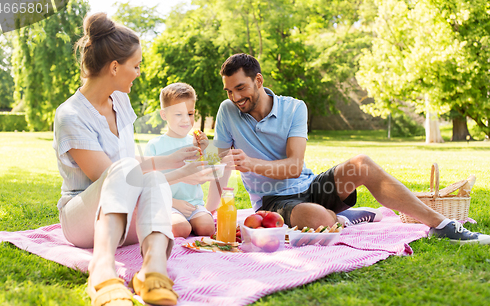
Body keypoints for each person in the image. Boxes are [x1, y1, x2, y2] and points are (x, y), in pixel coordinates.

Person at [206, 53, 490, 245]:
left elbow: (293, 166)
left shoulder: (294, 107)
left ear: (258, 80)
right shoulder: (227, 111)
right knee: (316, 219)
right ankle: (344, 218)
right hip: (273, 201)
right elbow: (218, 165)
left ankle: (444, 226)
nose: (235, 97)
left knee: (362, 163)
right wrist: (209, 212)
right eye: (229, 91)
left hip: (310, 185)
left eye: (240, 88)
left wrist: (250, 163)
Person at [53, 13, 211, 306]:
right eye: (135, 66)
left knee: (154, 179)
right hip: (81, 218)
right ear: (115, 67)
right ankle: (101, 268)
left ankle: (152, 270)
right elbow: (114, 176)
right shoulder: (71, 115)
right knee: (135, 172)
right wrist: (171, 165)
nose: (138, 73)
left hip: (125, 212)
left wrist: (172, 161)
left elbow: (135, 173)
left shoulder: (121, 102)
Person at [144, 83, 215, 238]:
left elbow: (206, 175)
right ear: (164, 115)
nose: (185, 120)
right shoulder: (155, 145)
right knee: (181, 228)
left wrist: (205, 150)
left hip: (194, 204)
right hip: (168, 204)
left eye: (189, 114)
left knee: (208, 228)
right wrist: (173, 203)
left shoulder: (195, 142)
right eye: (178, 115)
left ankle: (191, 223)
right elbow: (150, 183)